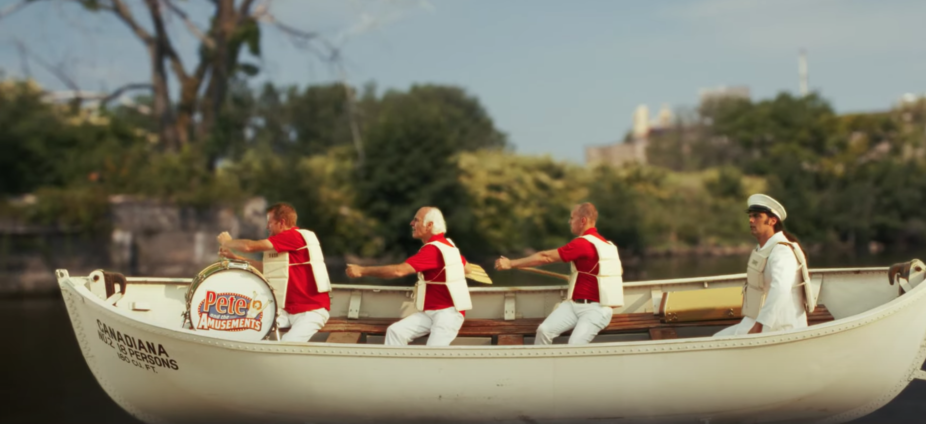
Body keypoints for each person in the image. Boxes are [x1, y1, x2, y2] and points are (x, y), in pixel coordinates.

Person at [494, 203, 623, 345]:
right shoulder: (607, 245)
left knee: (574, 345)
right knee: (544, 330)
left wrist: (511, 263)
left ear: (583, 221)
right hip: (573, 305)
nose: (569, 221)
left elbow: (546, 257)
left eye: (572, 218)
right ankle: (542, 365)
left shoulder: (582, 244)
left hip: (596, 310)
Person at [345, 207, 472, 346]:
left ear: (429, 225)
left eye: (416, 220)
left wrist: (362, 270)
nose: (412, 223)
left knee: (434, 353)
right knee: (395, 332)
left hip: (448, 315)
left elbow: (398, 271)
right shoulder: (448, 245)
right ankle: (396, 367)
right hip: (432, 312)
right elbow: (467, 269)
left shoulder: (433, 250)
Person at [217, 203, 331, 342]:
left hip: (311, 311)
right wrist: (234, 257)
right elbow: (264, 267)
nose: (266, 227)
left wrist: (228, 242)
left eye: (270, 223)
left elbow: (249, 246)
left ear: (282, 222)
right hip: (286, 310)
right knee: (246, 327)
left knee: (287, 344)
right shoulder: (285, 245)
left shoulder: (293, 236)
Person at [714, 194, 811, 337]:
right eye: (750, 216)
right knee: (717, 339)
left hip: (780, 327)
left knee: (717, 342)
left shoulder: (781, 251)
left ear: (772, 221)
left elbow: (780, 289)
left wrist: (760, 325)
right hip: (760, 322)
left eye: (757, 216)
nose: (751, 220)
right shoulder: (765, 249)